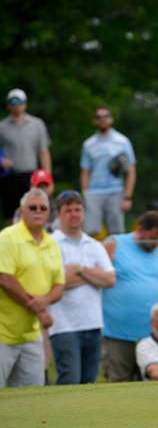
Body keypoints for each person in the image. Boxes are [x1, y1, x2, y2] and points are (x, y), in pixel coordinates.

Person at [101, 211, 158, 382]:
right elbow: (97, 273)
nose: (157, 244)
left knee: (154, 382)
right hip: (119, 332)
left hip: (155, 334)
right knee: (119, 381)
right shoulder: (115, 244)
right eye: (154, 239)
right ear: (141, 230)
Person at [48, 191, 116, 384]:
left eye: (77, 209)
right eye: (68, 210)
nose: (74, 214)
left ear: (84, 212)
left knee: (89, 384)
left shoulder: (94, 245)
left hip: (93, 324)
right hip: (63, 326)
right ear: (59, 215)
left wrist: (79, 270)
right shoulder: (51, 244)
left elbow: (111, 280)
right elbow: (55, 283)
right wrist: (93, 275)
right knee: (70, 380)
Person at [0, 188, 64, 387]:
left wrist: (42, 303)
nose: (38, 211)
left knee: (33, 395)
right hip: (3, 333)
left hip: (32, 334)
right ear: (22, 210)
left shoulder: (51, 243)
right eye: (32, 207)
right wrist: (36, 307)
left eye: (43, 208)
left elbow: (59, 284)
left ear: (48, 213)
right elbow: (5, 278)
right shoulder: (7, 237)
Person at [80, 106, 136, 236]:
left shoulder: (122, 141)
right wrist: (85, 194)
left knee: (116, 234)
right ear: (94, 121)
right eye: (99, 117)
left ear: (111, 119)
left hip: (115, 192)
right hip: (94, 193)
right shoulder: (88, 144)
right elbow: (85, 172)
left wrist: (127, 197)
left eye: (106, 116)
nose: (103, 120)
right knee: (90, 232)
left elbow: (131, 171)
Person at [0, 89, 52, 226]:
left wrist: (48, 179)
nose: (16, 105)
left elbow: (44, 152)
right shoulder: (2, 127)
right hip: (10, 177)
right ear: (8, 105)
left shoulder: (37, 124)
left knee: (35, 212)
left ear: (25, 104)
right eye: (13, 102)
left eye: (19, 102)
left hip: (32, 177)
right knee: (11, 216)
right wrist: (1, 161)